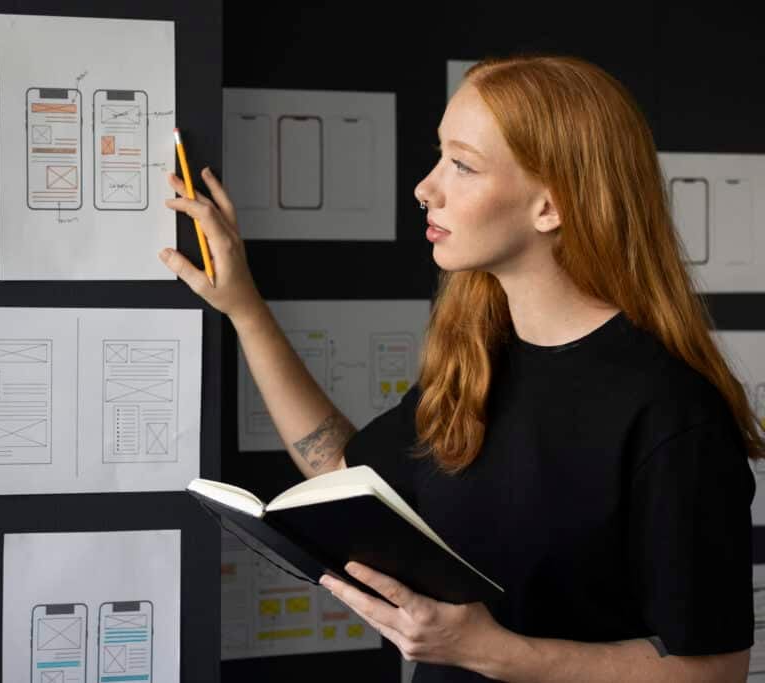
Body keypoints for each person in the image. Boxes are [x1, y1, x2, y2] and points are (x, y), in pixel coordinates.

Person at [160, 54, 761, 682]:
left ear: (550, 207)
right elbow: (343, 472)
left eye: (462, 165)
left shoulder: (670, 411)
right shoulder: (480, 358)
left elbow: (714, 671)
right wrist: (246, 310)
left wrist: (487, 651)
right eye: (439, 156)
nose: (426, 187)